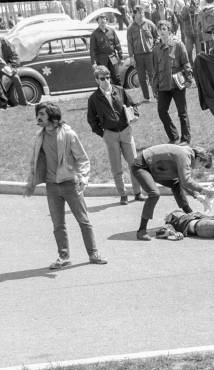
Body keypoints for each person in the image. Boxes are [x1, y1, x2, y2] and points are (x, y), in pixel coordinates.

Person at [24, 102, 108, 269]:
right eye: (37, 114)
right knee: (58, 224)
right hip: (52, 186)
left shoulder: (68, 134)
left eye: (42, 114)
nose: (38, 117)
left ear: (52, 116)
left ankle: (93, 253)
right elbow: (35, 161)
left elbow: (83, 159)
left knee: (83, 221)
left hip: (70, 184)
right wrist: (31, 181)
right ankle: (64, 257)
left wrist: (83, 178)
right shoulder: (39, 136)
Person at [87, 65, 146, 205]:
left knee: (134, 164)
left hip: (126, 131)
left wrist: (135, 115)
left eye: (108, 77)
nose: (106, 80)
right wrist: (103, 133)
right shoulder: (94, 98)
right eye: (102, 78)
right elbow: (91, 119)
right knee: (116, 167)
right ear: (97, 80)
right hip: (110, 134)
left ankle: (138, 193)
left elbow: (132, 105)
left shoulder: (119, 90)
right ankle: (123, 195)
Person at [131, 144, 214, 240]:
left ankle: (190, 214)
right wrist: (203, 190)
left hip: (154, 168)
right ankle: (141, 231)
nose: (199, 168)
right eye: (202, 165)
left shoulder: (187, 155)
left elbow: (182, 181)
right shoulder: (184, 156)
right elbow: (186, 180)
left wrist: (197, 196)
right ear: (199, 159)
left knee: (175, 184)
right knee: (154, 194)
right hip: (141, 165)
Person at [152, 19, 194, 143]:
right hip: (163, 86)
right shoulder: (156, 49)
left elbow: (186, 62)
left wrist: (189, 78)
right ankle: (173, 136)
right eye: (159, 29)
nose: (162, 32)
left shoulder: (178, 45)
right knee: (161, 111)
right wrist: (154, 87)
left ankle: (186, 138)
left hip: (177, 84)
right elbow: (155, 70)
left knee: (182, 112)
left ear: (169, 31)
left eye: (164, 29)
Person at [0, 24, 29, 106]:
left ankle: (23, 102)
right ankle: (3, 104)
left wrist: (13, 66)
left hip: (5, 65)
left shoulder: (4, 41)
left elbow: (13, 54)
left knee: (16, 78)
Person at [128, 6, 159, 101]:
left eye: (142, 13)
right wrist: (131, 57)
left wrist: (155, 46)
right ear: (135, 14)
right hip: (138, 56)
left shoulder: (150, 24)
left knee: (152, 75)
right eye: (139, 13)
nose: (141, 14)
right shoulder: (131, 28)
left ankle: (156, 95)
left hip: (149, 54)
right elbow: (129, 43)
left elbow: (156, 36)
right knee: (141, 77)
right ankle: (146, 97)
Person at [90, 13, 125, 87]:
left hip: (113, 58)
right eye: (101, 22)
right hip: (101, 60)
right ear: (98, 23)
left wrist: (121, 57)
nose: (102, 23)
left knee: (116, 77)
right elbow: (92, 50)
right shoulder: (94, 34)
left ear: (106, 21)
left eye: (104, 21)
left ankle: (119, 93)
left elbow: (117, 44)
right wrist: (94, 63)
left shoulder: (111, 31)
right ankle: (107, 94)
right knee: (104, 78)